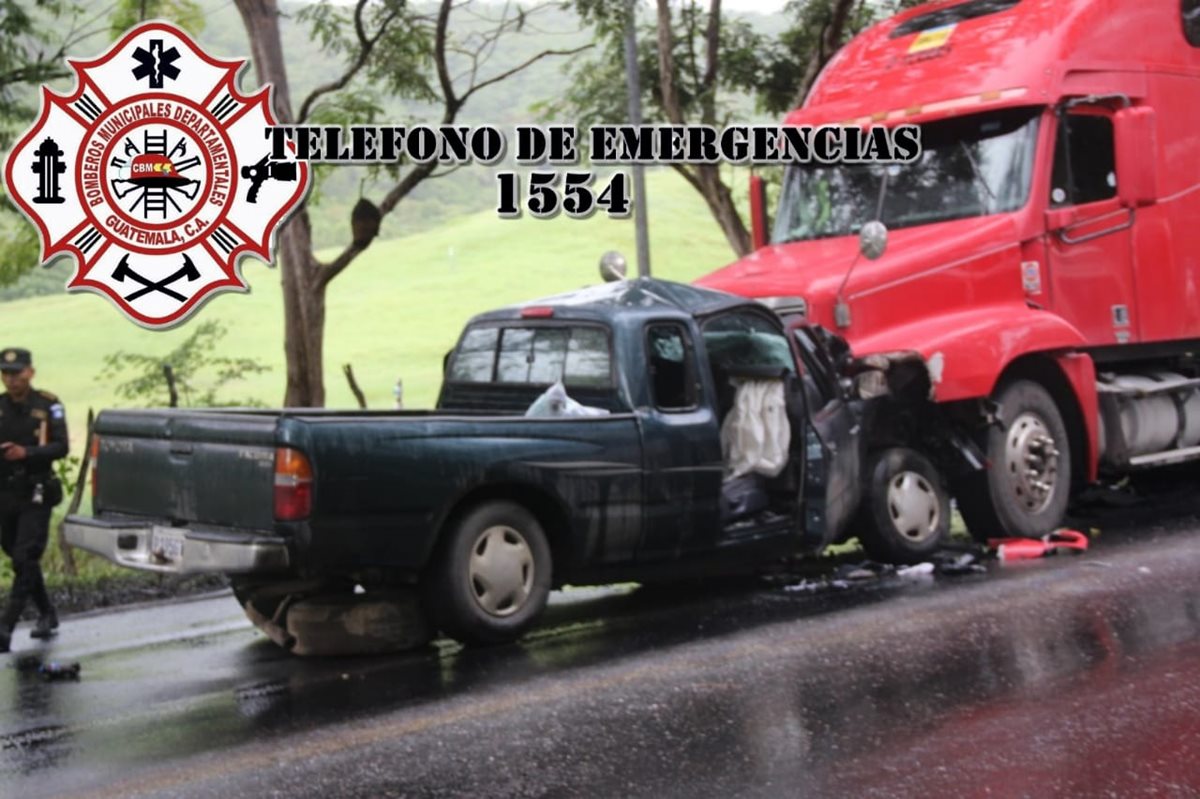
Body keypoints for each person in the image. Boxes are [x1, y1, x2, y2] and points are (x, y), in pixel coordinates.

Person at [0, 348, 68, 653]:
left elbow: (61, 446)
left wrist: (27, 453)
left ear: (30, 372)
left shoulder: (48, 406)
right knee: (18, 556)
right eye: (5, 374)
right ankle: (46, 612)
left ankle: (5, 627)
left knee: (26, 556)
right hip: (5, 492)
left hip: (36, 491)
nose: (11, 379)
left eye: (16, 373)